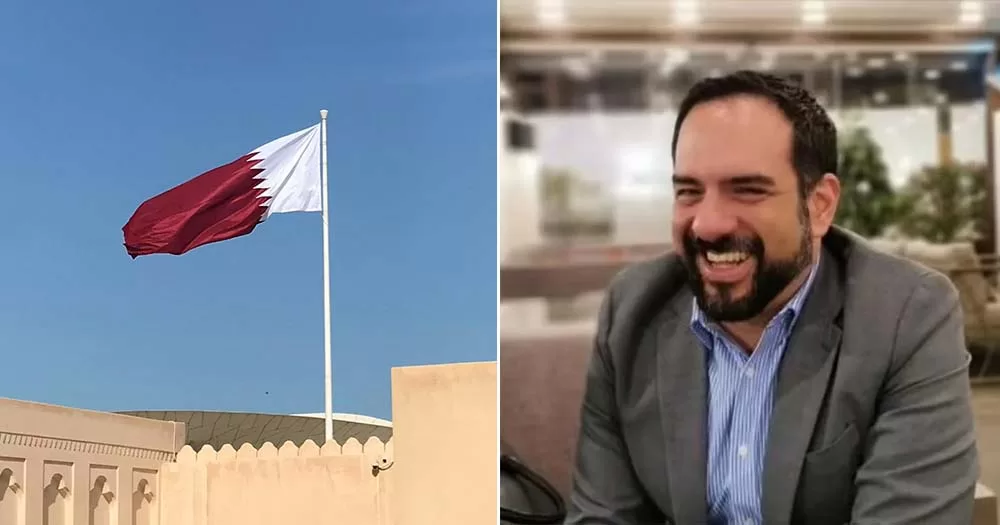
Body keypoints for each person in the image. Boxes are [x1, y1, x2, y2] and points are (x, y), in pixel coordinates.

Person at [565, 70, 979, 525]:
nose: (708, 224)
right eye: (689, 191)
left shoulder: (907, 315)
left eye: (747, 190)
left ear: (819, 204)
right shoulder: (632, 310)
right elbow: (602, 515)